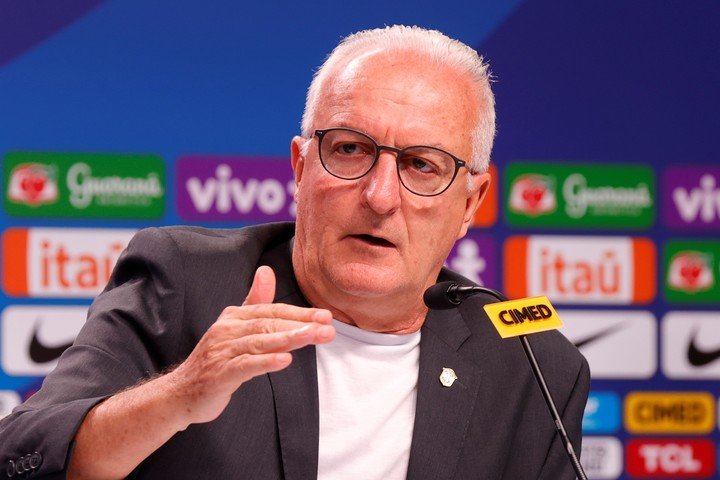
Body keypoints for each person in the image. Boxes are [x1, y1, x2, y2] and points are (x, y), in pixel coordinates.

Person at [0, 25, 589, 479]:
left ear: (471, 202)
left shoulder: (533, 365)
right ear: (301, 167)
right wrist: (180, 394)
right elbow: (22, 455)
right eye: (351, 149)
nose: (381, 196)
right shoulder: (184, 282)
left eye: (421, 165)